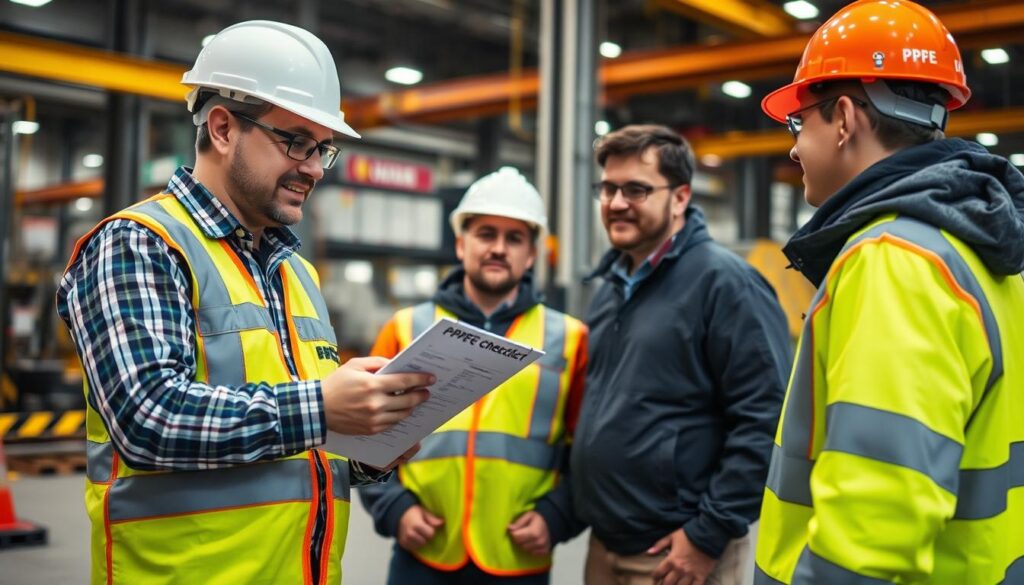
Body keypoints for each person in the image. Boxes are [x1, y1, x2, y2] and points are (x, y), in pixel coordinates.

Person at [56, 20, 434, 585]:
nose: (312, 168)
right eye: (295, 141)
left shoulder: (295, 273)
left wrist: (366, 444)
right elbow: (147, 417)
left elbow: (288, 445)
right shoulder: (139, 244)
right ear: (224, 127)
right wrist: (322, 408)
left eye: (322, 150)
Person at [754, 1, 1024, 584]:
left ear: (845, 118)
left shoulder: (893, 260)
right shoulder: (985, 255)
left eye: (801, 123)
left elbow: (872, 530)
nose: (795, 148)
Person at [573, 124, 792, 585]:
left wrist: (707, 535)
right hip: (606, 543)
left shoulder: (726, 285)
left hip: (678, 555)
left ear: (680, 197)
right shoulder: (610, 290)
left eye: (636, 189)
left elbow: (765, 417)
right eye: (608, 188)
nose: (615, 203)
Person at [360, 167, 589, 584]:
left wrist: (557, 515)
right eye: (486, 234)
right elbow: (366, 435)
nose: (498, 248)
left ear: (532, 253)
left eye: (514, 238)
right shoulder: (406, 328)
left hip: (517, 554)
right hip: (424, 552)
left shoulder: (571, 339)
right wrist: (393, 506)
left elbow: (589, 450)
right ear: (462, 243)